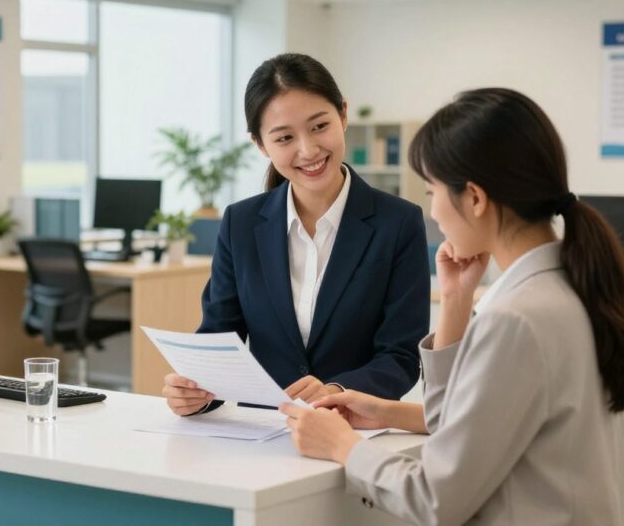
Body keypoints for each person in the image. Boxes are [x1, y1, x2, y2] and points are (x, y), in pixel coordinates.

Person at [280, 87, 624, 525]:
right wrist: (454, 305)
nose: (433, 211)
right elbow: (466, 426)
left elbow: (436, 499)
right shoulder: (572, 288)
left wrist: (342, 446)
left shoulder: (518, 320)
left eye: (431, 190)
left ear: (474, 198)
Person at [163, 53, 430, 415]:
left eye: (320, 126)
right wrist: (193, 392)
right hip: (257, 434)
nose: (308, 150)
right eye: (285, 137)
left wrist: (337, 390)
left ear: (343, 115)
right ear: (260, 145)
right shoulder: (240, 223)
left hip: (352, 430)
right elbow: (219, 337)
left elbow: (401, 355)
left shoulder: (398, 222)